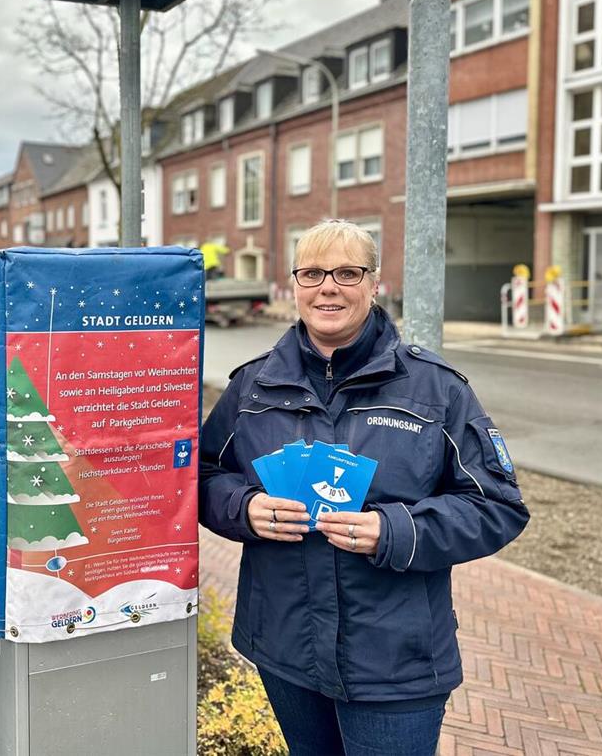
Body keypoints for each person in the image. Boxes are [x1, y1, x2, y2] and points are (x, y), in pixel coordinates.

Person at [198, 219, 528, 756]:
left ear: (375, 284)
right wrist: (244, 507)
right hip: (286, 646)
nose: (328, 287)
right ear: (295, 286)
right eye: (312, 273)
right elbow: (206, 474)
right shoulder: (251, 387)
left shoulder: (436, 390)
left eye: (347, 273)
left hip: (395, 660)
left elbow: (497, 506)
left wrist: (393, 529)